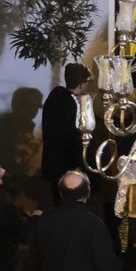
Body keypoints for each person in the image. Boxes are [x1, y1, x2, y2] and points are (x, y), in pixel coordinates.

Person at [39, 64, 91, 195]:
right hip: (67, 159)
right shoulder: (72, 102)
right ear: (81, 84)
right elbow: (73, 133)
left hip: (52, 157)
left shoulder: (55, 96)